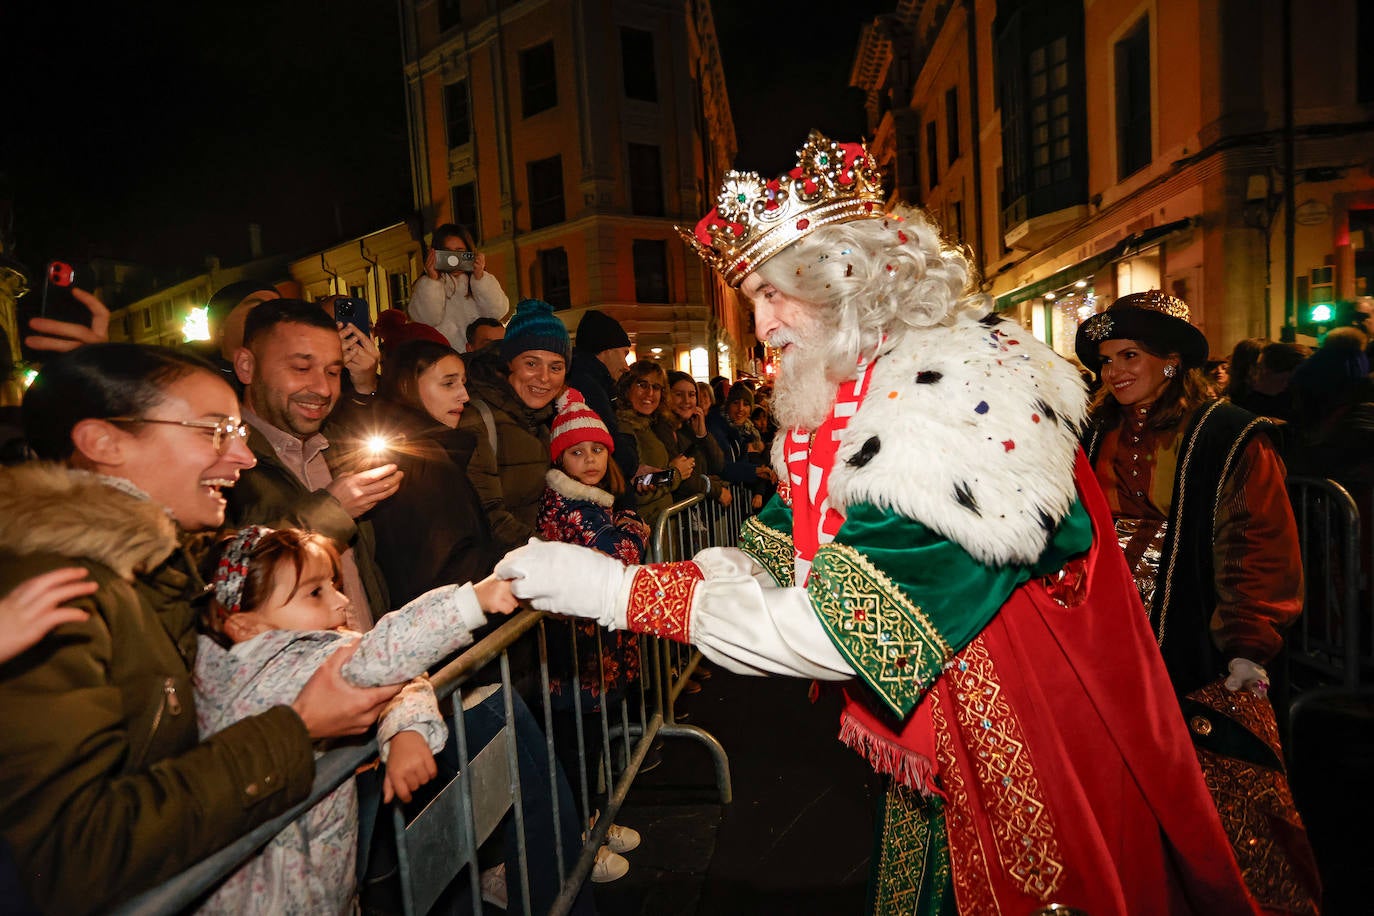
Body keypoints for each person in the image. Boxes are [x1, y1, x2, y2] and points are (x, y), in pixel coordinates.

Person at [495, 131, 1258, 913]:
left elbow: (846, 629)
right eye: (754, 300)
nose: (762, 327)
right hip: (937, 733)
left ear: (849, 283)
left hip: (1025, 738)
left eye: (773, 296)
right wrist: (620, 581)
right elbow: (768, 552)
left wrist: (616, 593)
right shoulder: (848, 400)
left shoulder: (959, 400)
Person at [0, 344, 402, 914]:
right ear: (104, 443)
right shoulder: (51, 592)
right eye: (214, 431)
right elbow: (76, 855)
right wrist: (300, 728)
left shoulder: (157, 571)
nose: (241, 456)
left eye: (238, 431)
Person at [1075, 291, 1318, 913]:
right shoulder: (1092, 428)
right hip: (1106, 635)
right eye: (1105, 360)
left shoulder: (1230, 434)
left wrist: (1247, 643)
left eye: (1130, 354)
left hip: (1192, 637)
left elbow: (1258, 542)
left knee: (1211, 789)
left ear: (1173, 361)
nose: (1115, 371)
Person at [193, 525, 516, 914]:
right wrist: (472, 601)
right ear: (245, 625)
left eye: (333, 584)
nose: (342, 600)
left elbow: (393, 674)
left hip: (325, 884)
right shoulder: (278, 665)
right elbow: (381, 657)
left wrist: (405, 726)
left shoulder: (229, 665)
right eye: (315, 592)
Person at [230, 298, 400, 630]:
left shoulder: (340, 448)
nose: (323, 389)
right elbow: (235, 581)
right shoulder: (222, 465)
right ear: (246, 366)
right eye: (301, 368)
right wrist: (332, 512)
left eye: (333, 372)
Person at [535, 389, 647, 881]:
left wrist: (627, 526)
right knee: (577, 750)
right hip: (577, 653)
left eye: (597, 450)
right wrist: (636, 529)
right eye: (577, 452)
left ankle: (596, 822)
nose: (590, 460)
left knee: (595, 744)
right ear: (560, 457)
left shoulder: (596, 501)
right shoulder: (568, 503)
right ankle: (578, 842)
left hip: (601, 647)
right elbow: (619, 549)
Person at [370, 339, 502, 605]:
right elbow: (444, 564)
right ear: (408, 386)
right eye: (448, 383)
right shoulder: (421, 460)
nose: (464, 395)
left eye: (463, 382)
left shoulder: (431, 450)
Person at [459, 298, 569, 551]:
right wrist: (561, 557)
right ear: (508, 363)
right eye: (531, 363)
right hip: (495, 579)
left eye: (556, 367)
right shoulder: (478, 418)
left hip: (528, 571)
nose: (544, 377)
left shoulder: (540, 420)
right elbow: (490, 518)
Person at [614, 360, 698, 529]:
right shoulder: (623, 428)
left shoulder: (650, 425)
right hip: (644, 531)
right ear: (627, 387)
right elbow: (635, 487)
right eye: (642, 385)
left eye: (657, 387)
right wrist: (674, 474)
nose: (650, 393)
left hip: (661, 528)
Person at [566, 309, 640, 492]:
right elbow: (615, 448)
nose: (626, 366)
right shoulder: (589, 386)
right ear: (606, 349)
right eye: (624, 354)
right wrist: (629, 445)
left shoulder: (593, 382)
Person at [409, 223, 510, 349]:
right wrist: (432, 280)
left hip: (480, 360)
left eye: (459, 252)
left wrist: (480, 278)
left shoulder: (479, 281)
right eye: (448, 254)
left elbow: (498, 312)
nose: (454, 260)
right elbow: (426, 320)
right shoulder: (427, 285)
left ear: (469, 252)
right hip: (447, 360)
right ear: (436, 254)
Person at [666, 369, 731, 509]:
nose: (686, 401)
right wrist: (713, 488)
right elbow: (683, 479)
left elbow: (718, 465)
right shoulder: (664, 430)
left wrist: (702, 434)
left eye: (692, 395)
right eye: (678, 394)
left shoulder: (688, 429)